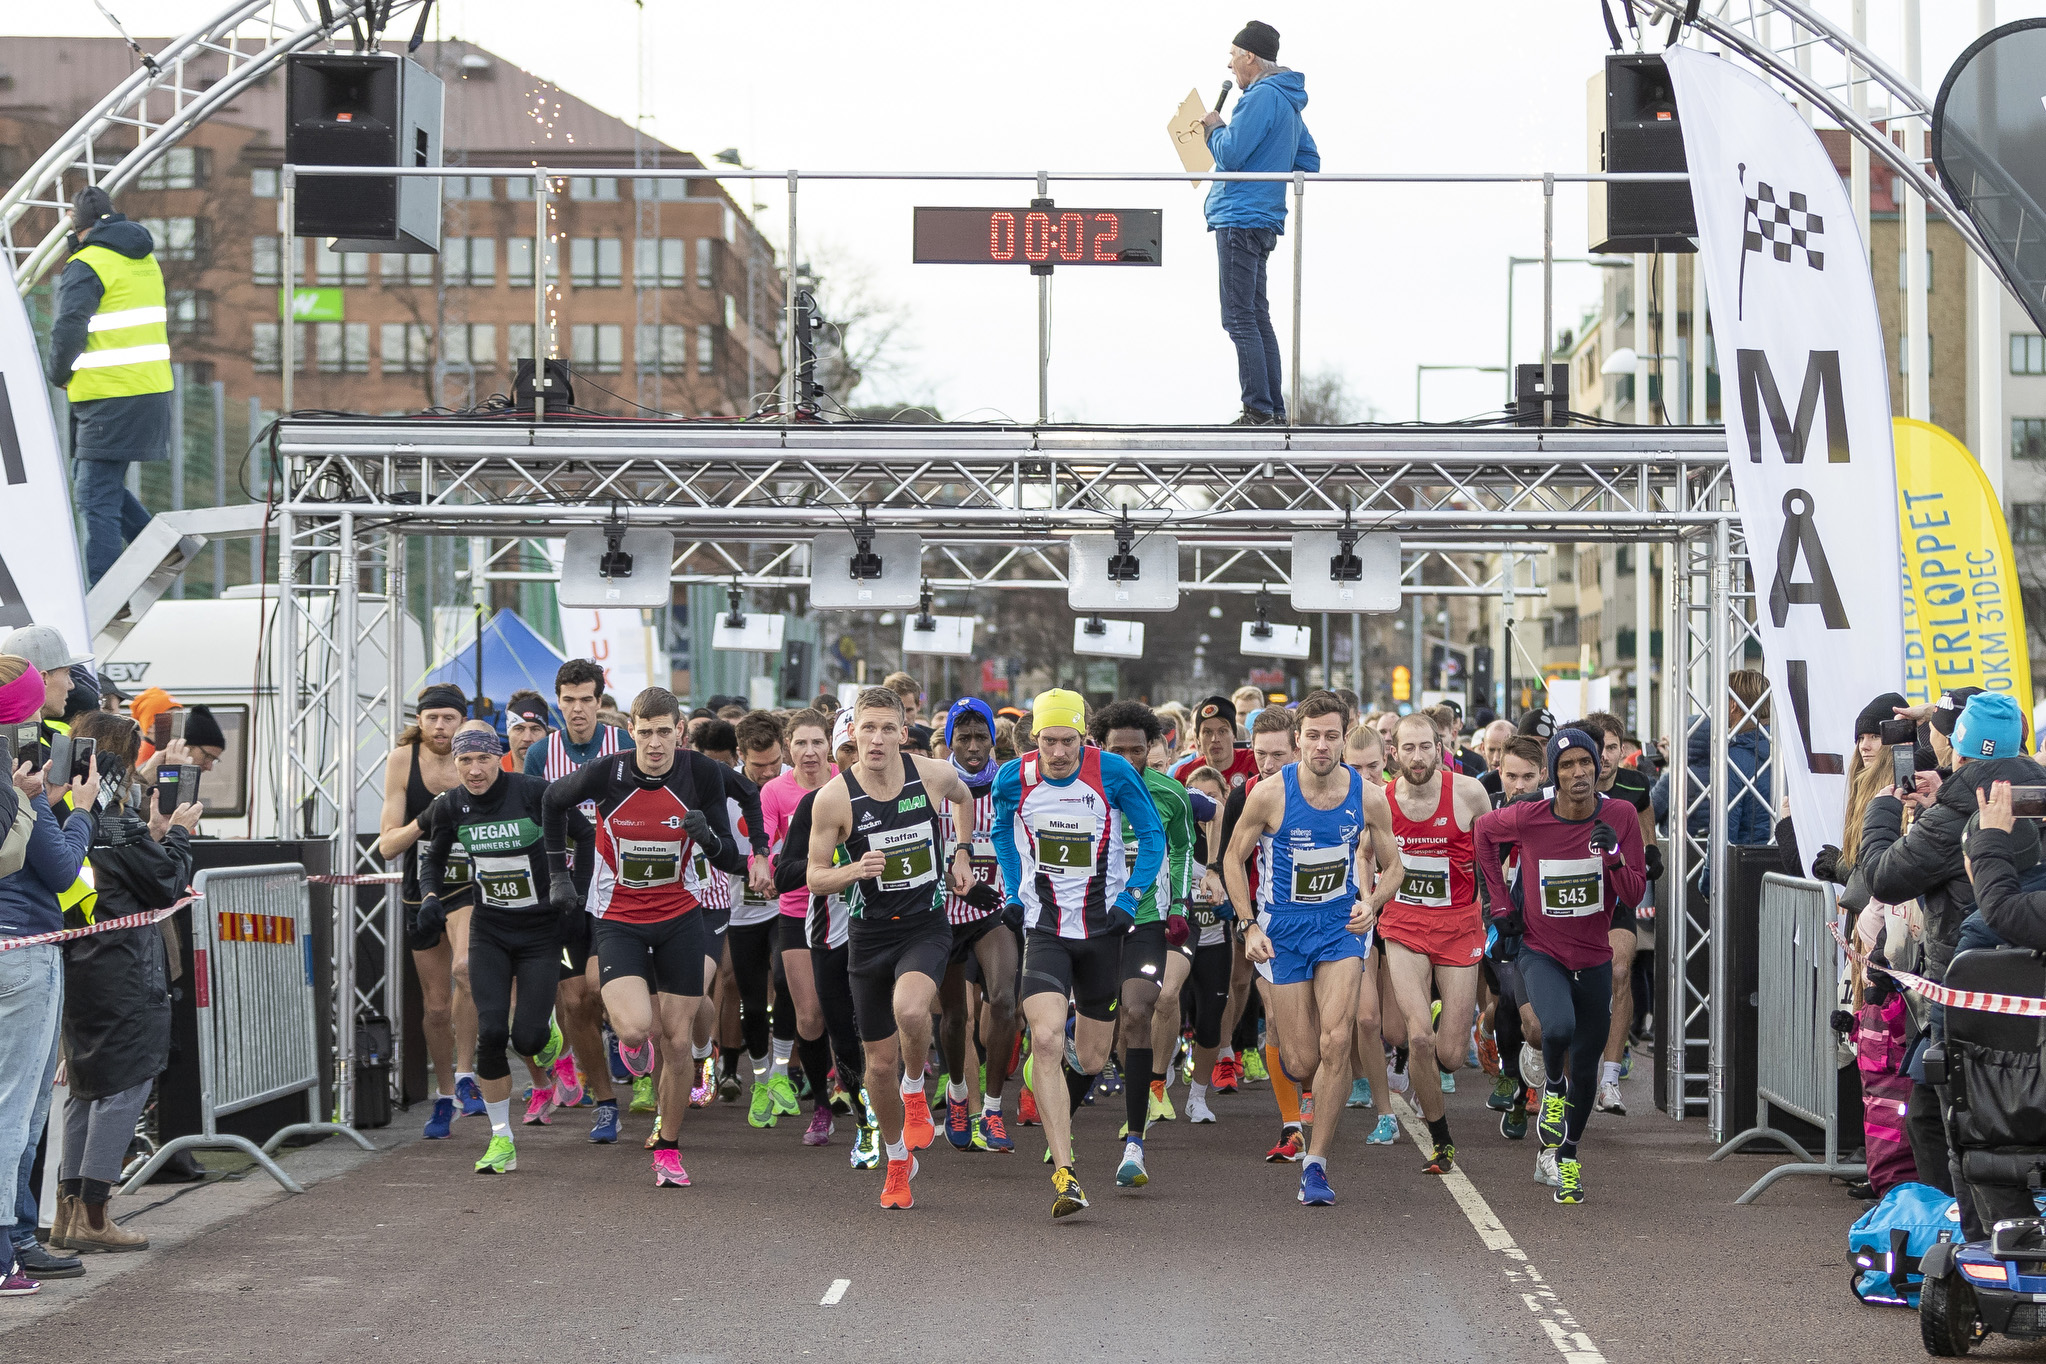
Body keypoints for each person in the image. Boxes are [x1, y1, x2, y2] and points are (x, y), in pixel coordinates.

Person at [542, 688, 748, 1187]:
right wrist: (559, 875)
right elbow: (552, 800)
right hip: (619, 919)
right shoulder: (609, 773)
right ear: (631, 731)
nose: (655, 742)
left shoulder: (698, 774)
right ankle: (635, 1051)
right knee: (636, 1029)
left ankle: (669, 1150)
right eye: (645, 731)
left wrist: (711, 838)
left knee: (677, 1041)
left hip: (681, 916)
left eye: (664, 731)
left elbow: (728, 858)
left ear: (679, 731)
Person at [1861, 691, 2046, 1220]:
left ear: (1959, 754)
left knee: (1956, 1129)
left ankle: (1967, 1244)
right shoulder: (2034, 796)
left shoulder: (1957, 823)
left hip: (1969, 1002)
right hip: (2028, 1003)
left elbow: (1883, 878)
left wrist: (1882, 812)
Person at [994, 688, 1165, 1218]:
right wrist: (1012, 888)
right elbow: (1002, 830)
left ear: (1083, 738)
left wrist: (1132, 896)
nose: (1059, 753)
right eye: (1049, 742)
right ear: (1035, 739)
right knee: (1044, 1038)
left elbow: (1152, 834)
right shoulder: (1012, 779)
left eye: (1069, 741)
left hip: (1101, 932)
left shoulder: (1111, 771)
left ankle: (1054, 1073)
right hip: (1044, 929)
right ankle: (1066, 1176)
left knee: (1090, 1057)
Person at [805, 687, 978, 1210]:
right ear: (852, 735)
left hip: (925, 925)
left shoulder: (931, 774)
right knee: (875, 1064)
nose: (876, 739)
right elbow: (813, 878)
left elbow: (965, 799)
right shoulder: (834, 799)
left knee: (911, 1009)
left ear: (904, 733)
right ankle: (898, 1155)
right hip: (869, 936)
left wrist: (963, 851)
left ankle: (915, 1092)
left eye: (886, 728)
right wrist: (854, 870)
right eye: (866, 729)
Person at [1225, 692, 1402, 1205]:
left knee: (1335, 1042)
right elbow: (1234, 860)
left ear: (1345, 737)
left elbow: (1394, 867)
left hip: (1340, 928)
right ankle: (1305, 1108)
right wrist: (1248, 924)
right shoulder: (1268, 794)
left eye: (1331, 736)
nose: (1322, 745)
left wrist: (1373, 902)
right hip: (1283, 932)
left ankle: (1317, 1163)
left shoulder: (1368, 797)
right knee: (1301, 1061)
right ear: (1298, 738)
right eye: (1313, 736)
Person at [1475, 728, 1647, 1205]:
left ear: (1598, 769)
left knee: (1588, 1071)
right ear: (1554, 772)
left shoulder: (1621, 815)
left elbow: (1632, 895)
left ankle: (1565, 1157)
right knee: (1556, 1028)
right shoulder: (1530, 816)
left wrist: (1613, 855)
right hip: (1540, 949)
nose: (1577, 773)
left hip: (1593, 954)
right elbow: (1483, 833)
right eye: (1567, 765)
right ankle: (1552, 1086)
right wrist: (1499, 906)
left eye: (1585, 764)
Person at [48, 711, 197, 1253]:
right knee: (125, 1084)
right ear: (122, 753)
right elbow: (164, 883)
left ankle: (70, 1215)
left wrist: (154, 835)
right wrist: (178, 836)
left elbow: (127, 869)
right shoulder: (113, 818)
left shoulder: (65, 809)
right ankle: (93, 1216)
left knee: (88, 1088)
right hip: (123, 968)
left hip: (80, 964)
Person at [418, 723, 583, 1172]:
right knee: (492, 1033)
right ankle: (501, 1140)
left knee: (526, 1037)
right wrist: (430, 898)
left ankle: (547, 1034)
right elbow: (432, 859)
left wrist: (572, 887)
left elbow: (586, 835)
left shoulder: (534, 793)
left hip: (541, 932)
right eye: (464, 761)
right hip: (490, 929)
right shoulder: (451, 804)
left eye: (483, 759)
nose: (474, 770)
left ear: (499, 758)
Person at [0, 657, 98, 1295]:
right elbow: (59, 871)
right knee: (14, 1112)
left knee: (29, 1108)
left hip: (31, 946)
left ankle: (16, 1236)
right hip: (24, 951)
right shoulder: (15, 784)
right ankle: (7, 1247)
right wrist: (78, 811)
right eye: (46, 695)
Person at [1088, 700, 1199, 1189]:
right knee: (1086, 1036)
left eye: (1139, 750)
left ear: (1152, 748)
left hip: (1147, 919)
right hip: (1086, 923)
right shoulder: (1080, 792)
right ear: (1100, 749)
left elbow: (1181, 848)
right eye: (1119, 750)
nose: (1130, 760)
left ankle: (1135, 1142)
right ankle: (1059, 1107)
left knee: (1137, 1011)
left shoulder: (1169, 794)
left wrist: (1177, 906)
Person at [1378, 712, 1492, 1174]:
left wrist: (1493, 905)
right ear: (1395, 753)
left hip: (1459, 925)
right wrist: (1370, 900)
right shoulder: (1381, 800)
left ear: (1441, 746)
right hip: (1403, 924)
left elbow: (1496, 849)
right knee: (1417, 1038)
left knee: (1450, 1056)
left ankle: (1469, 1025)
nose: (1418, 756)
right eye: (1409, 748)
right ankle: (1440, 1140)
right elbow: (1365, 855)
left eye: (1426, 746)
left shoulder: (1469, 793)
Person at [44, 186, 174, 585]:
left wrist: (58, 375)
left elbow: (69, 328)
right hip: (147, 389)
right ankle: (163, 548)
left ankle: (104, 595)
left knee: (93, 494)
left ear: (78, 227)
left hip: (109, 395)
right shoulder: (143, 258)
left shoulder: (88, 263)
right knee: (97, 480)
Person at [525, 659, 630, 1143]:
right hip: (564, 893)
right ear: (557, 702)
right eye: (568, 701)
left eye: (587, 699)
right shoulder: (542, 754)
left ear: (599, 701)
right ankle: (606, 1102)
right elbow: (531, 824)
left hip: (617, 889)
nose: (578, 709)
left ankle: (632, 1037)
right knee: (574, 999)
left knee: (604, 992)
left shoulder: (621, 744)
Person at [376, 684, 480, 1138]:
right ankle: (444, 1096)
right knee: (436, 1007)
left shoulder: (476, 759)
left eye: (449, 719)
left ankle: (465, 1074)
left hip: (471, 885)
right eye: (432, 718)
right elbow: (386, 845)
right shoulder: (402, 761)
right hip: (423, 889)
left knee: (465, 968)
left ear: (462, 722)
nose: (440, 726)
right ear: (419, 720)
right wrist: (429, 817)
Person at [934, 698, 1021, 1154]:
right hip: (944, 917)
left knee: (1004, 1002)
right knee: (955, 1018)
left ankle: (991, 1108)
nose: (973, 746)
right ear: (950, 740)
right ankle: (958, 1093)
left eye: (980, 737)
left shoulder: (1009, 785)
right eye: (963, 737)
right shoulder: (932, 784)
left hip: (994, 911)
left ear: (993, 739)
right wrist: (955, 880)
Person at [758, 709, 843, 1146]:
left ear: (829, 744)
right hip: (796, 910)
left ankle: (859, 1090)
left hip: (847, 909)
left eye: (817, 742)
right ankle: (823, 1108)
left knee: (851, 1014)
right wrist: (774, 868)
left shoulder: (846, 783)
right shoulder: (775, 791)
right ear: (788, 747)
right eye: (800, 743)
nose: (810, 752)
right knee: (809, 1016)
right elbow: (766, 847)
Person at [1579, 712, 1660, 1115]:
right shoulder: (1566, 784)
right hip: (1569, 902)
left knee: (1619, 971)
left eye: (1613, 747)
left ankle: (1609, 1079)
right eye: (1600, 748)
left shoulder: (1635, 785)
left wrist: (1651, 857)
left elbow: (1648, 836)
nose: (1606, 756)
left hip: (1615, 897)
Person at [1481, 735, 1550, 1140]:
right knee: (1508, 996)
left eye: (1528, 776)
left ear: (1542, 774)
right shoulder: (1489, 808)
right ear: (1499, 773)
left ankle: (1540, 1083)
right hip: (1499, 919)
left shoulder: (1552, 809)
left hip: (1544, 921)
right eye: (1511, 776)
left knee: (1539, 1017)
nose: (1519, 785)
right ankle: (1514, 1081)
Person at [1171, 694, 1257, 790]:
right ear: (1197, 738)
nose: (1215, 739)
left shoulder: (1254, 762)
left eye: (1222, 731)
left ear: (1234, 735)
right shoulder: (1185, 774)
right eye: (1207, 732)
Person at [502, 691, 552, 773]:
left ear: (546, 733)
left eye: (535, 729)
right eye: (519, 729)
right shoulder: (492, 772)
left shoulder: (561, 771)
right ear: (509, 732)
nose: (527, 738)